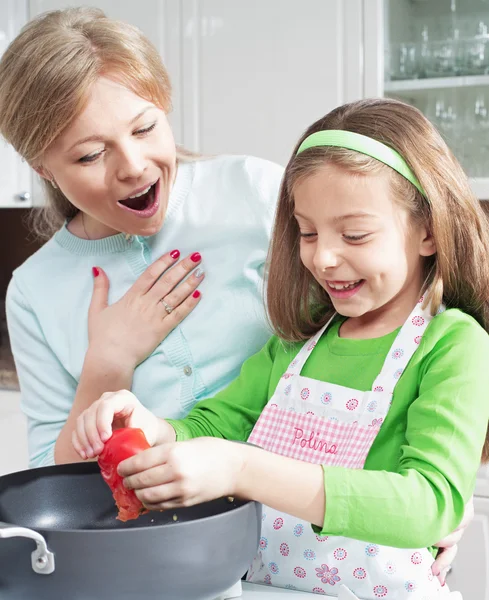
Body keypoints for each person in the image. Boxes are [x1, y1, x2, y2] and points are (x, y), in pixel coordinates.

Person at [73, 98, 489, 599]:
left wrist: (242, 468)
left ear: (427, 230)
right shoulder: (294, 348)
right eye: (307, 232)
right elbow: (213, 426)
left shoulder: (453, 344)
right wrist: (150, 428)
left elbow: (430, 504)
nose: (324, 257)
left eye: (354, 233)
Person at [0, 7, 283, 469]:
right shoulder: (34, 292)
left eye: (145, 128)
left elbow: (379, 327)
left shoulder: (254, 191)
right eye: (91, 155)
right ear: (42, 169)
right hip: (164, 536)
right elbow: (53, 482)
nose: (132, 166)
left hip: (310, 522)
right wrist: (108, 362)